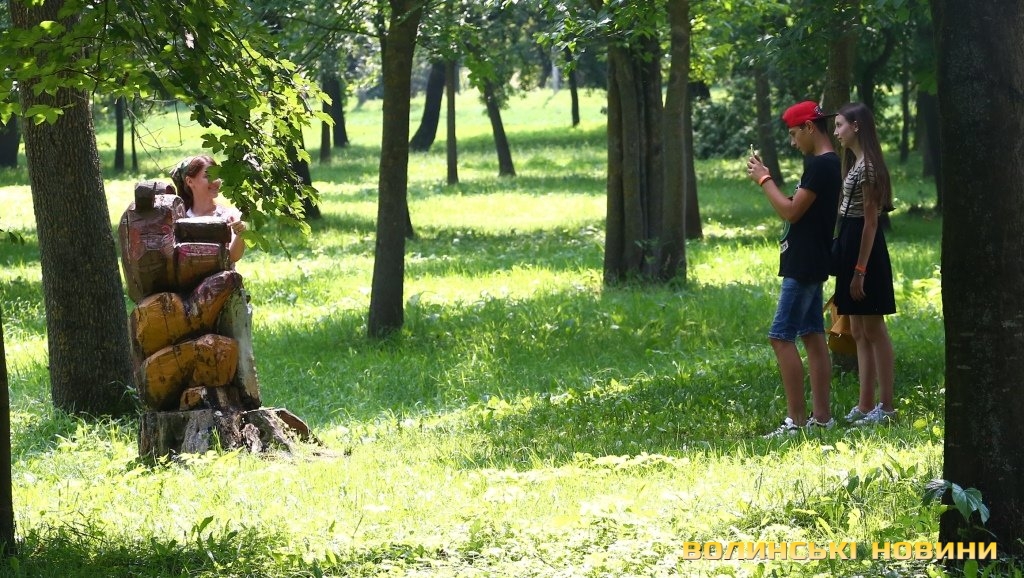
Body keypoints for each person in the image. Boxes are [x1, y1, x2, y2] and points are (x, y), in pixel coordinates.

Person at [747, 101, 841, 437]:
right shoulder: (827, 164)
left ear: (809, 127)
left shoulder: (821, 166)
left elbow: (790, 211)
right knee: (812, 335)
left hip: (803, 264)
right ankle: (822, 418)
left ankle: (796, 421)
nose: (792, 141)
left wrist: (764, 179)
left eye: (793, 133)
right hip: (810, 260)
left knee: (780, 337)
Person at [832, 102, 897, 426]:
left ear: (856, 126)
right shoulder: (856, 162)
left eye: (840, 125)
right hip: (850, 242)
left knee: (873, 328)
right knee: (857, 329)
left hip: (865, 249)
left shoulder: (869, 167)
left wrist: (860, 270)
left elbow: (871, 223)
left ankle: (887, 407)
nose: (836, 132)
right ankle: (865, 403)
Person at [170, 155, 247, 263]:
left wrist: (240, 233)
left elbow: (233, 257)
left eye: (217, 175)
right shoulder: (180, 219)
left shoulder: (229, 216)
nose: (215, 181)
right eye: (207, 176)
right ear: (189, 181)